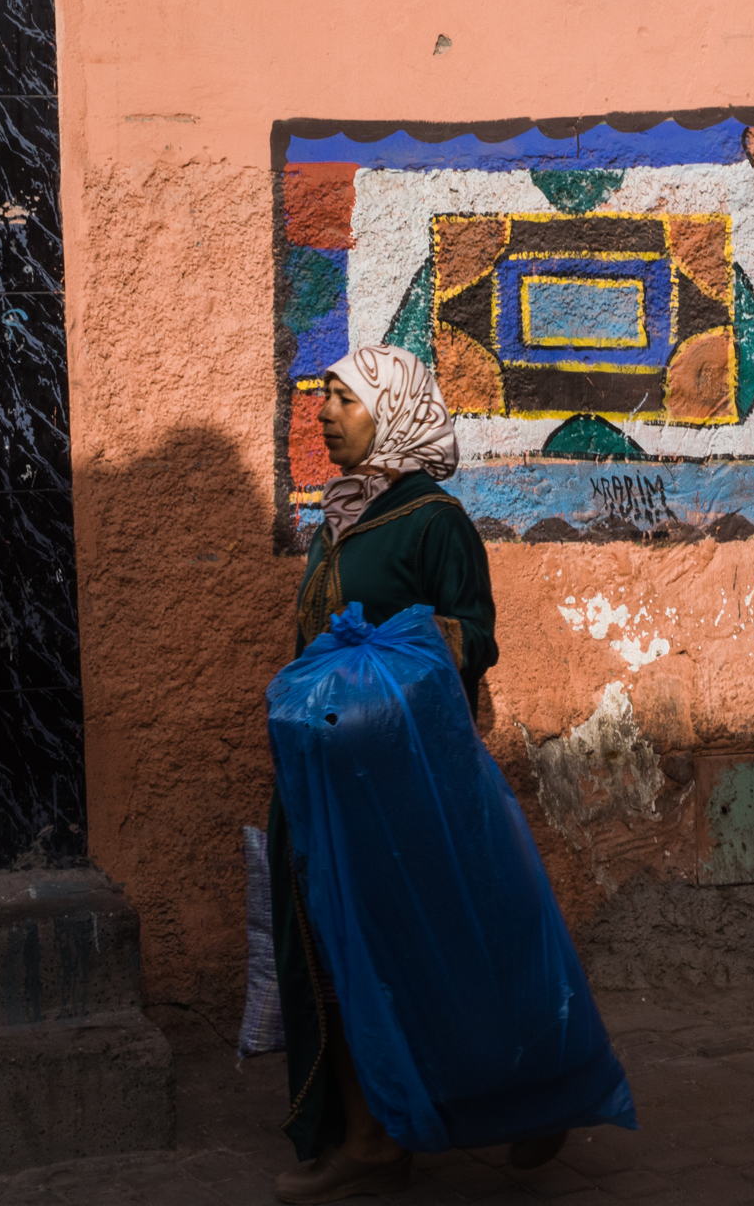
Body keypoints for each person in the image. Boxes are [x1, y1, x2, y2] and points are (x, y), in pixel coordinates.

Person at [269, 343, 573, 1204]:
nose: (324, 414)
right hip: (326, 777)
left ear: (393, 409)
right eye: (324, 397)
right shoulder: (341, 515)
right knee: (339, 953)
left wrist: (377, 658)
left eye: (345, 399)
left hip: (400, 783)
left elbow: (472, 636)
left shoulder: (434, 521)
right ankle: (369, 1140)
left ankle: (533, 1092)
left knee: (435, 951)